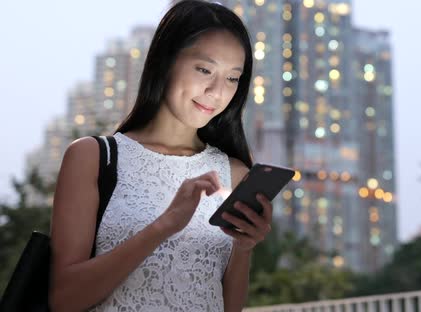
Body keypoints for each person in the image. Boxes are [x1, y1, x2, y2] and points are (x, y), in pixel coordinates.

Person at [48, 1, 272, 311]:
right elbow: (64, 299)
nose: (217, 91)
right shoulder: (94, 157)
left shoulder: (233, 173)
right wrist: (165, 225)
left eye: (233, 78)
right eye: (204, 69)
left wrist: (244, 247)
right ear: (166, 62)